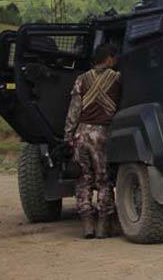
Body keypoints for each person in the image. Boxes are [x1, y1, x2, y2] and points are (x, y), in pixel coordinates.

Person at [64, 44, 121, 238]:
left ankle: (87, 225)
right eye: (114, 57)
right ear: (108, 59)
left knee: (83, 179)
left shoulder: (81, 79)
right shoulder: (117, 79)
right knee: (104, 180)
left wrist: (68, 137)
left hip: (81, 134)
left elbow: (74, 111)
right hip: (102, 136)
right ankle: (104, 226)